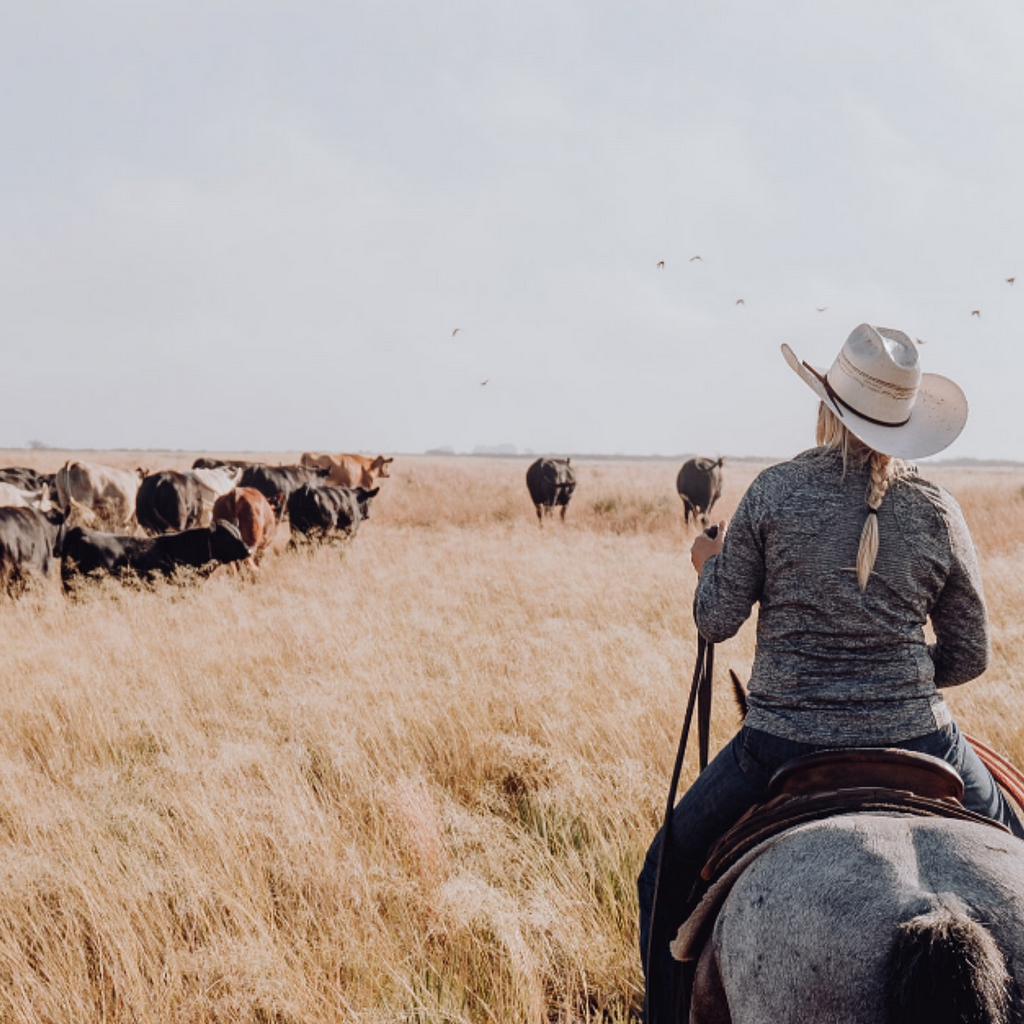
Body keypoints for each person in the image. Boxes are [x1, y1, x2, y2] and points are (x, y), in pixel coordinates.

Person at [637, 323, 1024, 1023]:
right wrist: (893, 682)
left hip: (780, 744)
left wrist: (706, 568)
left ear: (826, 406)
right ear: (904, 422)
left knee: (662, 874)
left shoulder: (775, 493)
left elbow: (717, 621)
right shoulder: (937, 509)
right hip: (923, 737)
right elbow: (971, 654)